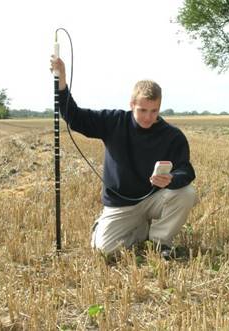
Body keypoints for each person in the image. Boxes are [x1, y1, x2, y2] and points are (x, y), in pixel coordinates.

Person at [50, 56, 197, 260]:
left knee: (186, 193)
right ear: (132, 104)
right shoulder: (114, 122)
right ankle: (136, 230)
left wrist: (172, 179)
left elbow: (186, 170)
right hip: (121, 205)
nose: (148, 117)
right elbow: (75, 118)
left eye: (154, 111)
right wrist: (62, 79)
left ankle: (159, 242)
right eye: (142, 110)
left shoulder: (172, 135)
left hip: (154, 198)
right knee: (104, 251)